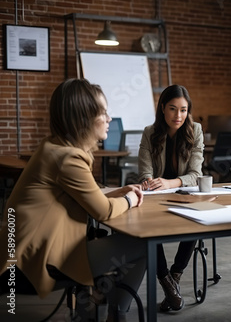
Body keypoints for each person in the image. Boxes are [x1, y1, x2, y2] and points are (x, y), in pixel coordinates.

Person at [0, 79, 146, 321]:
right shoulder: (68, 159)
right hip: (32, 263)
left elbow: (82, 196)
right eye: (103, 113)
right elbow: (104, 212)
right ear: (84, 118)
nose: (109, 119)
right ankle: (115, 313)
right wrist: (130, 199)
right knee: (142, 245)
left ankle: (94, 302)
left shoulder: (54, 147)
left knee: (121, 243)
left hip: (20, 252)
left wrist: (117, 192)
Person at [137, 84, 204, 311]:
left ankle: (172, 280)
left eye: (184, 110)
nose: (178, 116)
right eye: (173, 109)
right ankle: (167, 281)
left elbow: (195, 175)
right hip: (155, 197)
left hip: (184, 195)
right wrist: (149, 181)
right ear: (163, 108)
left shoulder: (195, 130)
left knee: (196, 223)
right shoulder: (149, 132)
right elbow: (145, 171)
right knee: (147, 230)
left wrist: (170, 182)